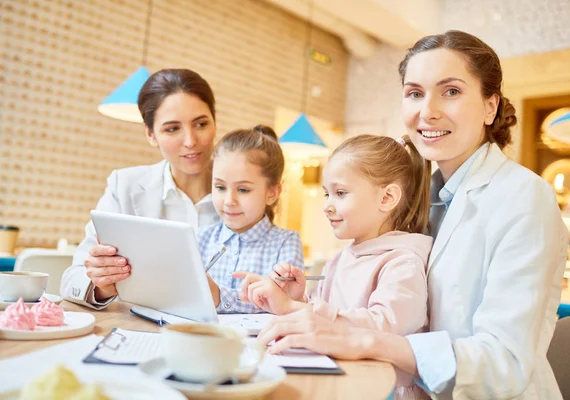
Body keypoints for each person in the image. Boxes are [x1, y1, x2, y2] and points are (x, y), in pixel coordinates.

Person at [256, 30, 568, 400]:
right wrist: (307, 305)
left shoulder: (523, 197)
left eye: (451, 91)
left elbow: (504, 362)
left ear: (490, 106)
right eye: (415, 93)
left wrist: (364, 340)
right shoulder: (426, 196)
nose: (427, 111)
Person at [236, 134, 432, 399]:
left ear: (387, 198)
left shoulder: (401, 263)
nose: (327, 206)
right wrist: (299, 299)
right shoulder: (340, 258)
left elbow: (387, 329)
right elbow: (325, 315)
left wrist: (296, 308)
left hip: (383, 390)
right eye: (327, 194)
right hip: (338, 378)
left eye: (340, 193)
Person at [61, 69, 220, 309]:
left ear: (215, 123)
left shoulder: (246, 188)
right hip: (141, 330)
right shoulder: (123, 186)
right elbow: (72, 279)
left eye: (200, 124)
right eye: (172, 129)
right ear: (151, 134)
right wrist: (102, 285)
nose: (190, 141)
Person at [197, 125, 304, 313]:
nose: (229, 201)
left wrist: (219, 297)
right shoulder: (199, 238)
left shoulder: (285, 242)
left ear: (272, 193)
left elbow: (280, 304)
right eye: (220, 187)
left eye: (243, 190)